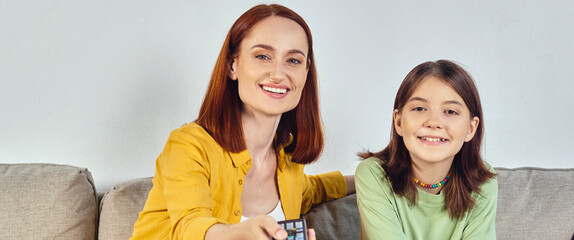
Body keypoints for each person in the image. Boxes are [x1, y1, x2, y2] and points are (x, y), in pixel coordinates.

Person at [131, 4, 354, 240]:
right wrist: (239, 234)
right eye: (262, 56)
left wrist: (370, 175)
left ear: (306, 72)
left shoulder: (287, 161)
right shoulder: (188, 145)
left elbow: (312, 190)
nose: (278, 74)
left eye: (293, 60)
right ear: (232, 65)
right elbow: (190, 225)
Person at [355, 60, 498, 240]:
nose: (434, 122)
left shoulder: (482, 183)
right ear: (398, 122)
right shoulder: (373, 174)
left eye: (450, 111)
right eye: (420, 108)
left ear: (470, 128)